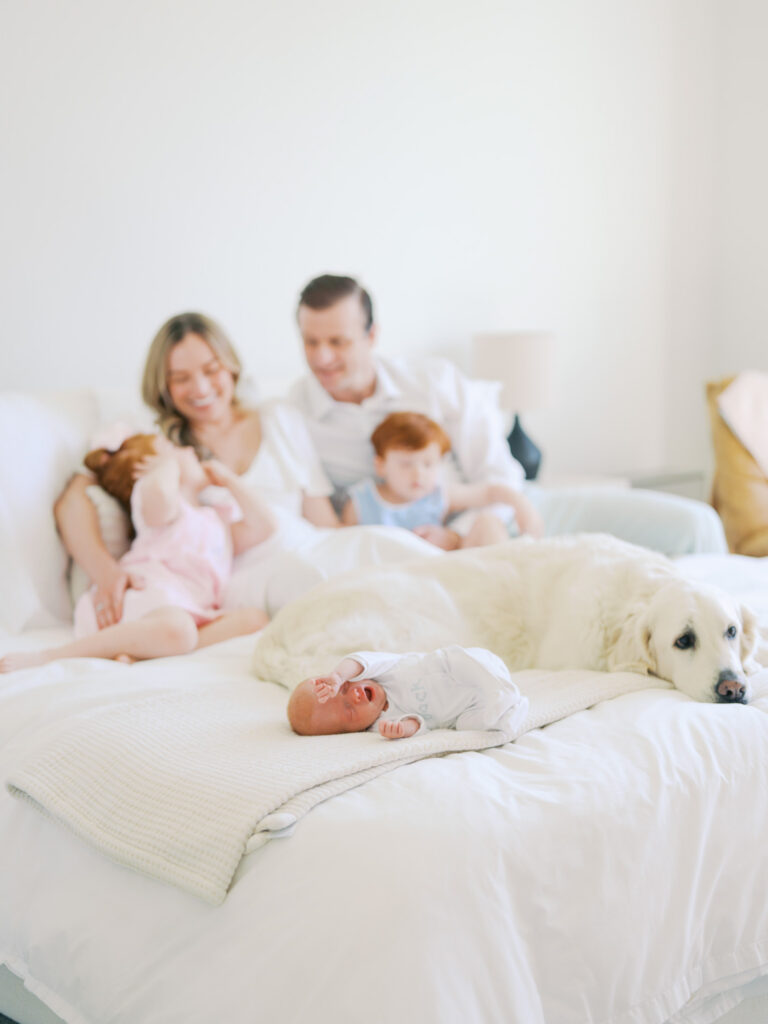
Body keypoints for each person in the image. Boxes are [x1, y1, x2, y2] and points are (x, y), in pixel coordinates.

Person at [289, 274, 729, 557]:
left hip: (510, 512)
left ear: (371, 336)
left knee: (697, 525)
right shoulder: (296, 417)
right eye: (311, 342)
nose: (322, 357)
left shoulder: (434, 382)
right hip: (427, 554)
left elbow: (499, 476)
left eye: (338, 342)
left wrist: (468, 533)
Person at [54, 312, 341, 628]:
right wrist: (107, 574)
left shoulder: (280, 418)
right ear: (163, 385)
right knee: (313, 579)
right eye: (181, 378)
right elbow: (73, 501)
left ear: (230, 367)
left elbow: (324, 524)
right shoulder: (154, 441)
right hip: (243, 582)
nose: (200, 388)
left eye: (211, 369)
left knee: (377, 553)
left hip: (309, 549)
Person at [1, 433, 271, 672]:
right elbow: (160, 495)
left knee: (254, 619)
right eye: (175, 448)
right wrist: (167, 464)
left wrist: (230, 480)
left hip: (190, 611)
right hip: (147, 598)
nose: (190, 451)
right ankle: (50, 657)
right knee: (179, 630)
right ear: (153, 466)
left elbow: (265, 526)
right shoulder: (157, 504)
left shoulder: (215, 519)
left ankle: (148, 651)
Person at [342, 411, 543, 547]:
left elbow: (490, 492)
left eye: (428, 464)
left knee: (488, 523)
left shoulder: (437, 494)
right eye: (406, 464)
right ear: (381, 465)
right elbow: (344, 545)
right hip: (387, 575)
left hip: (440, 571)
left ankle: (506, 584)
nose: (418, 474)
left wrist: (521, 504)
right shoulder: (361, 501)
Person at [286, 645, 529, 739]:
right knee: (469, 725)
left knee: (461, 659)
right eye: (349, 710)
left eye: (346, 689)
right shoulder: (379, 724)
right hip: (466, 707)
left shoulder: (382, 672)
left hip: (461, 669)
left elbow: (360, 660)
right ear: (352, 730)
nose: (355, 696)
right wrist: (403, 730)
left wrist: (338, 676)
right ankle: (512, 711)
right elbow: (419, 723)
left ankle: (500, 690)